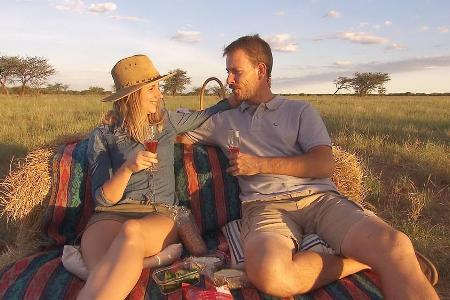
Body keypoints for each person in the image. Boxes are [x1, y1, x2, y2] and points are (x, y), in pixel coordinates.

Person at [186, 35, 439, 299]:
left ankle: (378, 257)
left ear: (261, 70)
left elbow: (324, 164)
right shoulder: (223, 120)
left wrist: (259, 164)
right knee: (271, 276)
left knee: (395, 245)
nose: (228, 80)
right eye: (227, 72)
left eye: (235, 72)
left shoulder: (299, 111)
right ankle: (361, 261)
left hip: (318, 199)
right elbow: (176, 128)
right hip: (264, 206)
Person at [77, 54, 238, 299]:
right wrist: (127, 169)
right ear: (132, 96)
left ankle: (146, 261)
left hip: (158, 214)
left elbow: (208, 112)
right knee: (103, 270)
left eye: (158, 88)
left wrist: (236, 98)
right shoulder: (103, 134)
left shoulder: (168, 122)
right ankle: (148, 262)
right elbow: (102, 200)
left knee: (131, 232)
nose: (159, 95)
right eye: (151, 88)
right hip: (110, 215)